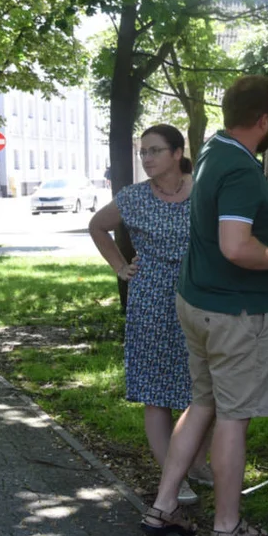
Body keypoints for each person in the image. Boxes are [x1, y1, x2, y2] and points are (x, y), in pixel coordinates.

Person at [139, 61, 268, 536]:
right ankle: (227, 529)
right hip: (232, 317)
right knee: (232, 418)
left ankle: (163, 507)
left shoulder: (214, 147)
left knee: (202, 404)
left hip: (197, 303)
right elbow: (235, 245)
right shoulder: (243, 173)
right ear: (263, 121)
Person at [88, 124, 213, 505]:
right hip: (152, 303)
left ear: (177, 153)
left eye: (154, 151)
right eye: (142, 152)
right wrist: (120, 267)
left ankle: (197, 463)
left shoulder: (205, 189)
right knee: (156, 393)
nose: (146, 158)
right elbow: (97, 226)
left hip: (201, 297)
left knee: (204, 388)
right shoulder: (134, 198)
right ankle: (173, 475)